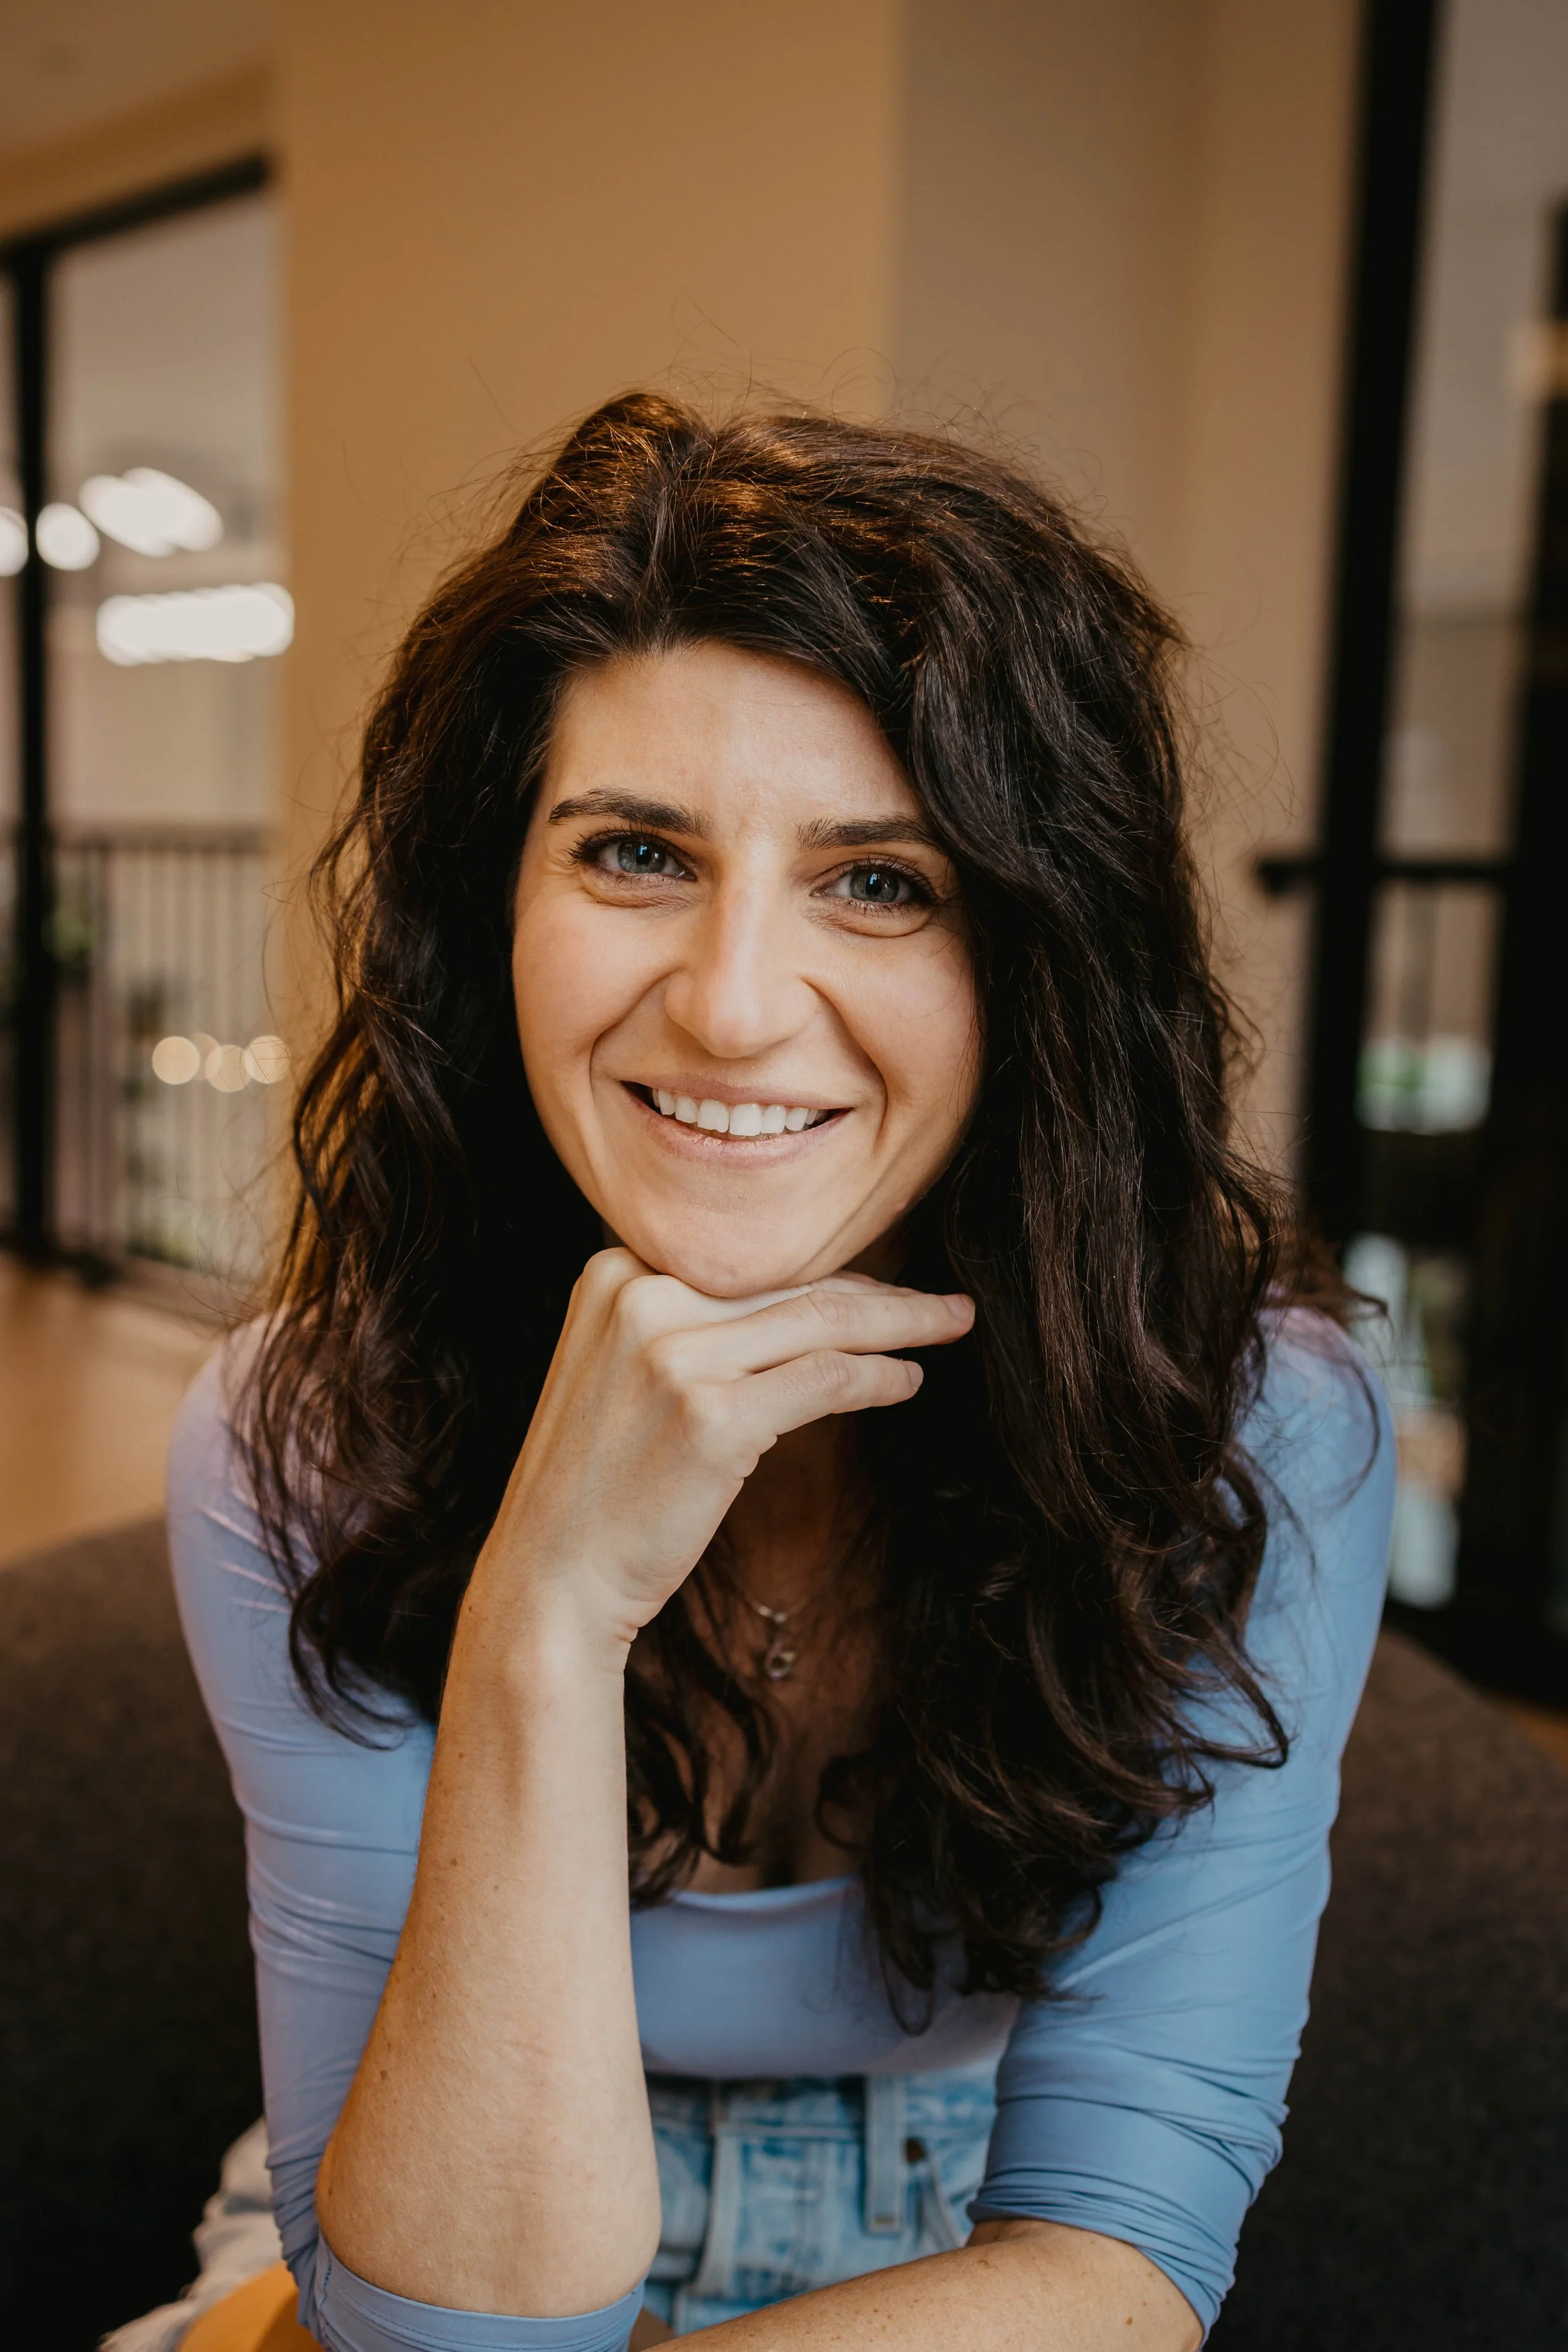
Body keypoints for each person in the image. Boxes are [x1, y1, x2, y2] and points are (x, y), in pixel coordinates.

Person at [169, 395, 1392, 2352]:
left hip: (967, 2249)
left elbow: (1125, 2256)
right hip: (413, 2195)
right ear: (494, 909)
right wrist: (545, 1620)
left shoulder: (1250, 1423)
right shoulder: (301, 1429)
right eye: (635, 850)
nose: (734, 1005)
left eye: (880, 880)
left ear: (1037, 952)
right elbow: (428, 2328)